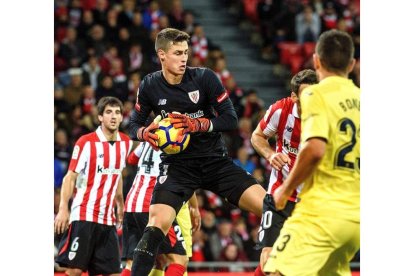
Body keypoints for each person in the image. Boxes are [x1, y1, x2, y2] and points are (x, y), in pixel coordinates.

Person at [128, 27, 266, 275]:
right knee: (155, 226)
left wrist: (199, 124)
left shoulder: (204, 78)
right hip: (178, 167)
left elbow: (231, 119)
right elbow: (134, 123)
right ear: (162, 55)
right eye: (178, 53)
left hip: (215, 162)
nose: (184, 58)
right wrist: (143, 133)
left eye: (186, 53)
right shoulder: (149, 85)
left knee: (271, 209)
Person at [264, 29, 360, 275]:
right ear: (351, 64)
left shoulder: (315, 94)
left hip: (322, 211)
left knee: (276, 270)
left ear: (316, 61)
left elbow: (315, 149)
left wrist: (284, 190)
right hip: (357, 215)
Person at [54, 96, 133, 276]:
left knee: (112, 272)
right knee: (74, 270)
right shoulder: (86, 142)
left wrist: (120, 204)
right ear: (99, 117)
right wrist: (63, 209)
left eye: (117, 112)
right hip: (84, 214)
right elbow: (69, 177)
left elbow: (117, 174)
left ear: (122, 117)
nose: (113, 116)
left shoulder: (125, 143)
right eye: (108, 112)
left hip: (107, 219)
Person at [250, 69, 318, 276]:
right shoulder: (281, 110)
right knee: (270, 259)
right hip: (280, 195)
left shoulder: (328, 115)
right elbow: (258, 136)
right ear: (294, 96)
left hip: (312, 200)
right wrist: (270, 155)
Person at [121, 141, 201, 276]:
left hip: (131, 205)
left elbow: (132, 158)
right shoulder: (177, 140)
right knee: (179, 259)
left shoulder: (149, 137)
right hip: (153, 206)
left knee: (139, 262)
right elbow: (184, 178)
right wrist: (195, 207)